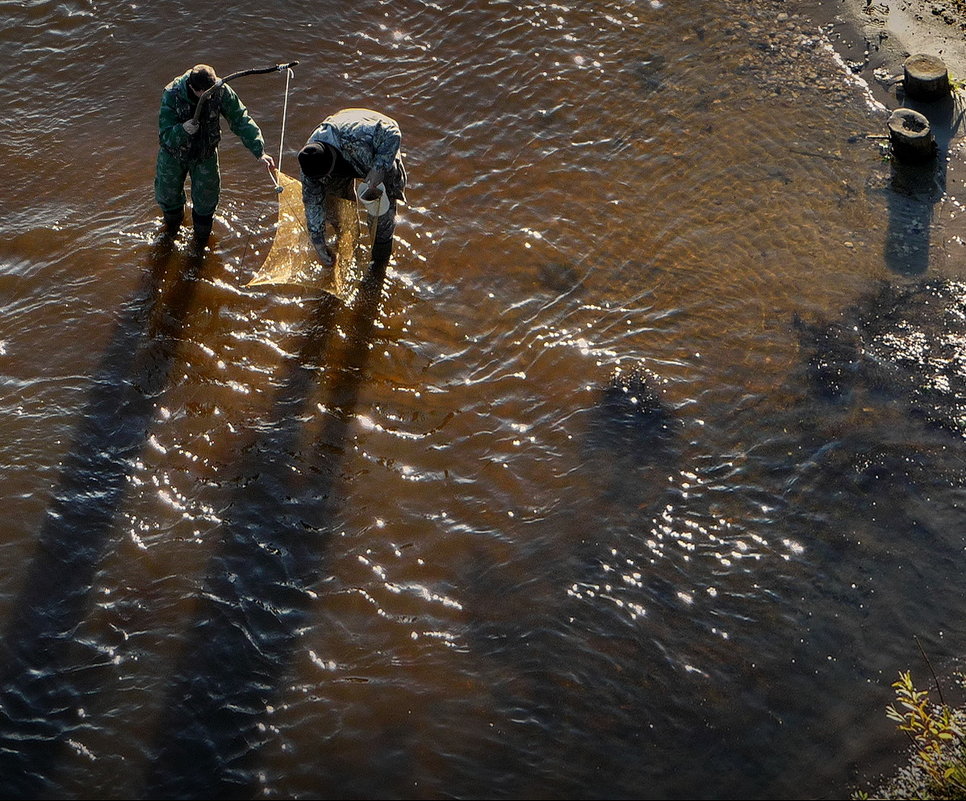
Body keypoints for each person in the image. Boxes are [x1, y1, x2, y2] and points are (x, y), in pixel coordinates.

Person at [155, 64, 276, 244]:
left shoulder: (221, 90)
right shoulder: (172, 94)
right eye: (204, 93)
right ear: (192, 88)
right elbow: (165, 136)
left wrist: (259, 151)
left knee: (206, 204)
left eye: (212, 91)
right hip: (174, 155)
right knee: (168, 198)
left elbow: (240, 118)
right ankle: (171, 232)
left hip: (205, 154)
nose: (209, 96)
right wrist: (182, 130)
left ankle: (200, 243)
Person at [297, 108, 407, 268]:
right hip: (341, 165)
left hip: (373, 156)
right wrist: (318, 242)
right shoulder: (309, 164)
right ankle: (350, 247)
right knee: (339, 212)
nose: (320, 181)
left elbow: (393, 131)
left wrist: (379, 166)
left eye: (324, 177)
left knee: (382, 219)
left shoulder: (355, 135)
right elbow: (312, 203)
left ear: (331, 165)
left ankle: (379, 265)